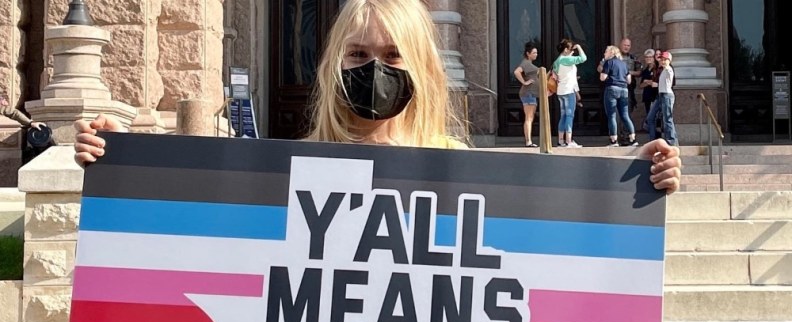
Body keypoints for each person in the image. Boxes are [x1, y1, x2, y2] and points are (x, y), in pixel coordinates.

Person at [74, 0, 681, 194]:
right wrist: (120, 160)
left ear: (420, 68)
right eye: (358, 56)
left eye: (393, 58)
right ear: (334, 63)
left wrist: (638, 176)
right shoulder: (288, 169)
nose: (375, 70)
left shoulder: (461, 169)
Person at [600, 45, 637, 147]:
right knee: (625, 115)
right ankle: (632, 139)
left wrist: (605, 72)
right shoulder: (623, 64)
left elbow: (602, 78)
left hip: (612, 89)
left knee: (612, 115)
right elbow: (629, 80)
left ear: (612, 53)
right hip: (624, 90)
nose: (604, 53)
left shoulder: (608, 62)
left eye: (606, 51)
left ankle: (613, 140)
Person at [552, 39, 586, 148]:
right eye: (570, 49)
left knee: (563, 116)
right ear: (566, 49)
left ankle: (561, 140)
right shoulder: (566, 60)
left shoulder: (557, 61)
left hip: (560, 91)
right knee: (570, 115)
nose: (572, 50)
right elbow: (583, 58)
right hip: (568, 91)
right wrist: (579, 47)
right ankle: (569, 141)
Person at [645, 51, 677, 146]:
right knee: (650, 118)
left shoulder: (668, 69)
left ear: (669, 60)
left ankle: (671, 141)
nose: (663, 61)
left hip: (667, 95)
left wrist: (666, 65)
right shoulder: (662, 70)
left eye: (665, 60)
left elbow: (669, 75)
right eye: (662, 59)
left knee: (667, 119)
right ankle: (653, 140)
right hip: (660, 96)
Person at [513, 42, 540, 147]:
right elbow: (516, 72)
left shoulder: (529, 64)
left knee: (530, 117)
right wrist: (524, 82)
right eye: (534, 53)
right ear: (528, 54)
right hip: (528, 93)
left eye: (536, 53)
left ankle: (529, 140)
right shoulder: (526, 63)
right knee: (529, 117)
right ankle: (528, 141)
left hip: (532, 93)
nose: (536, 54)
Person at [639, 48, 660, 135]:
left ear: (654, 58)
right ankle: (652, 135)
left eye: (650, 57)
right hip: (647, 97)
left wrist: (647, 82)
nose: (648, 59)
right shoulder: (645, 71)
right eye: (646, 57)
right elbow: (641, 85)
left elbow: (656, 83)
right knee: (649, 117)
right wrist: (648, 82)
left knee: (654, 118)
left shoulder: (657, 69)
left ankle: (655, 136)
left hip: (654, 97)